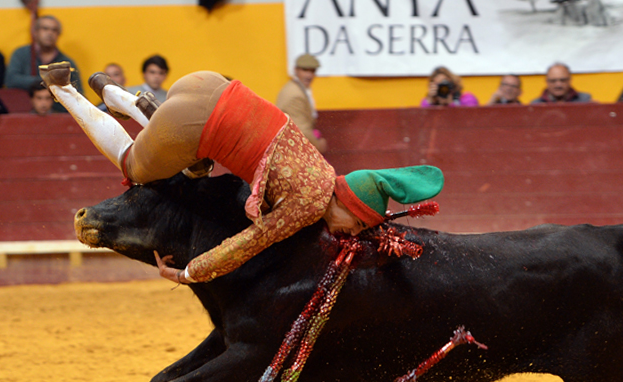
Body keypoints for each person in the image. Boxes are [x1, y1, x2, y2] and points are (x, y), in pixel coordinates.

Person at [40, 62, 444, 285]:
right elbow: (248, 243)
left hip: (209, 83)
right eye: (356, 225)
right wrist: (189, 272)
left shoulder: (323, 169)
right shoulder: (308, 205)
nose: (348, 234)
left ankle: (120, 97)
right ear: (351, 206)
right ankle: (63, 88)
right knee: (132, 164)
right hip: (195, 122)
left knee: (194, 167)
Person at [5, 15, 82, 113]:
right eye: (45, 28)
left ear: (58, 34)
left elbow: (78, 95)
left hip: (58, 115)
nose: (49, 33)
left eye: (54, 30)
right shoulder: (20, 54)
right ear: (35, 32)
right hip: (24, 113)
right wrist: (48, 81)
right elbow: (11, 80)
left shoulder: (67, 63)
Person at [276, 53, 327, 154]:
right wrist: (318, 145)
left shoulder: (297, 89)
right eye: (305, 70)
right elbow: (302, 129)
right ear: (296, 70)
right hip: (293, 149)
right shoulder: (295, 94)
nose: (309, 75)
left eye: (312, 71)